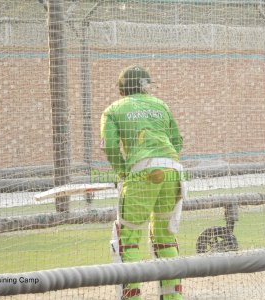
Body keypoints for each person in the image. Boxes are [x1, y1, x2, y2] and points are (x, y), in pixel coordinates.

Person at [100, 65, 186, 300]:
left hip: (141, 172)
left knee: (128, 239)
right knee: (165, 236)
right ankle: (173, 297)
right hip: (173, 171)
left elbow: (109, 145)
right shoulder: (161, 105)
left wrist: (123, 172)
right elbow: (177, 141)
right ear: (144, 85)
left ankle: (132, 297)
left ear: (122, 88)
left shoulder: (113, 110)